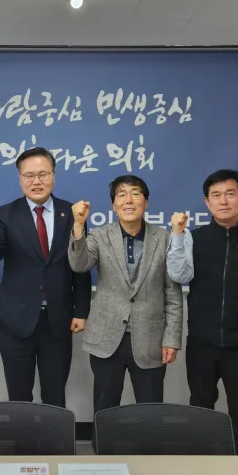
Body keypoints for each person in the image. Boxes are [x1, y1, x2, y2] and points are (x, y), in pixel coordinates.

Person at [166, 169, 238, 456]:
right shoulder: (194, 238)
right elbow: (179, 276)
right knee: (200, 408)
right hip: (202, 341)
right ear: (207, 202)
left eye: (230, 194)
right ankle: (201, 468)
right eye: (215, 195)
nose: (223, 201)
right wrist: (177, 236)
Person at [0, 147, 92, 407]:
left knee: (55, 397)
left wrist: (81, 310)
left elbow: (80, 265)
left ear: (54, 176)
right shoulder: (4, 215)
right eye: (29, 176)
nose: (36, 181)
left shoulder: (71, 213)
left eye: (43, 174)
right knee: (19, 399)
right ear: (20, 178)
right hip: (16, 323)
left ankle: (56, 436)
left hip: (57, 321)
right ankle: (23, 436)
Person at [67, 175, 183, 419]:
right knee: (105, 409)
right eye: (121, 194)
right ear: (114, 205)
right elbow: (79, 264)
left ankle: (148, 446)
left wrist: (172, 338)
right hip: (106, 339)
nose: (128, 200)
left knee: (151, 411)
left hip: (150, 338)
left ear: (146, 202)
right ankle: (103, 446)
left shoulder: (164, 238)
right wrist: (78, 226)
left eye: (135, 193)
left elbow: (172, 293)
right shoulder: (99, 236)